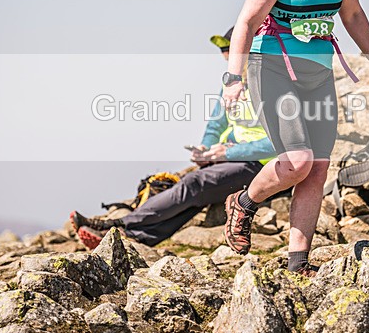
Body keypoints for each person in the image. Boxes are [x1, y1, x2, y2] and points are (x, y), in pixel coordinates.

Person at [220, 0, 369, 275]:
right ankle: (244, 203)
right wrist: (233, 76)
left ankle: (298, 263)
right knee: (297, 160)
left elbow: (352, 15)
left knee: (317, 167)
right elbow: (246, 21)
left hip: (317, 74)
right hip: (272, 68)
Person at [70, 27, 276, 248]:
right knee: (193, 193)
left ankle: (114, 224)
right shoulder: (232, 86)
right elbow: (216, 125)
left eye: (232, 55)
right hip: (233, 159)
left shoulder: (272, 86)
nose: (227, 62)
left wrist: (228, 152)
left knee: (195, 183)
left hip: (263, 165)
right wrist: (205, 150)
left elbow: (279, 143)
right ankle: (136, 238)